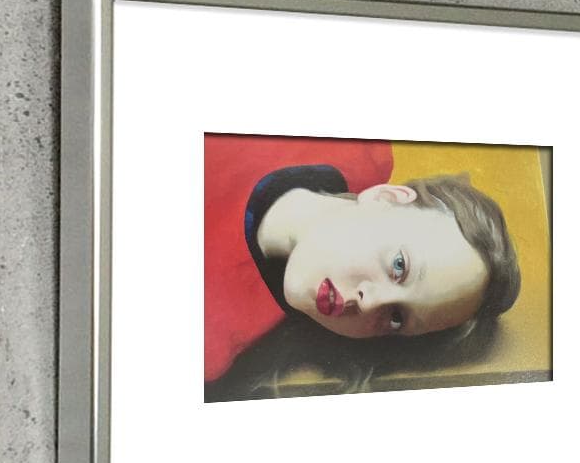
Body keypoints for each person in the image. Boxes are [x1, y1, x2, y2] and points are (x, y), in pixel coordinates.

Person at [204, 134, 520, 399]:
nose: (370, 304)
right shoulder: (359, 146)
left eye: (397, 318)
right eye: (399, 266)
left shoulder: (213, 345)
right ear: (387, 197)